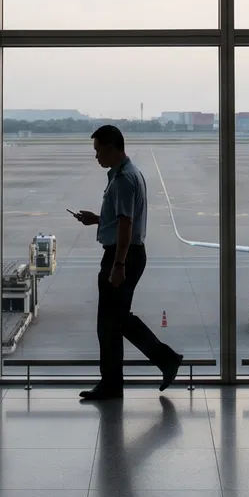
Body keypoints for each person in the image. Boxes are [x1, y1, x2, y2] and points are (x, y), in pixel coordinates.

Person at [72, 125, 182, 401]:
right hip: (128, 253)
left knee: (110, 323)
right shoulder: (129, 174)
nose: (96, 157)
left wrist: (118, 265)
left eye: (98, 151)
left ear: (111, 148)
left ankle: (158, 362)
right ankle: (131, 374)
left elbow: (126, 223)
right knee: (116, 321)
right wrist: (98, 220)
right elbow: (122, 219)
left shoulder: (122, 179)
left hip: (122, 256)